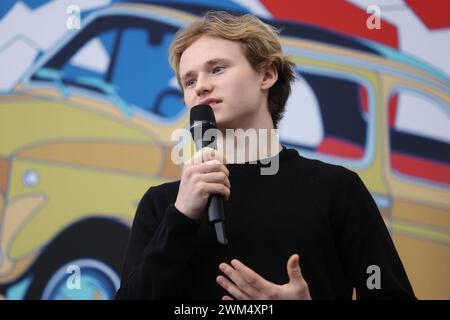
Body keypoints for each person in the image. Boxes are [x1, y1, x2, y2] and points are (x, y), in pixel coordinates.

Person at [115, 11, 415, 300]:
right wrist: (180, 217)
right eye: (189, 81)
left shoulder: (336, 189)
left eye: (217, 69)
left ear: (267, 75)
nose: (201, 86)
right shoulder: (162, 204)